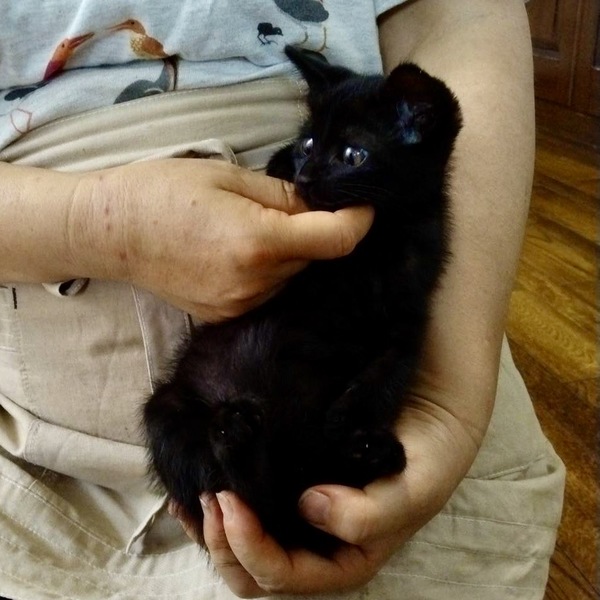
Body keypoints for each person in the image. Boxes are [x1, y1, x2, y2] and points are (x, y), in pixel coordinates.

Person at [0, 1, 564, 598]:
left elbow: (463, 17)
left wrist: (445, 405)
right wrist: (95, 224)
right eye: (311, 150)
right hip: (56, 463)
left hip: (404, 421)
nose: (313, 172)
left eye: (346, 157)